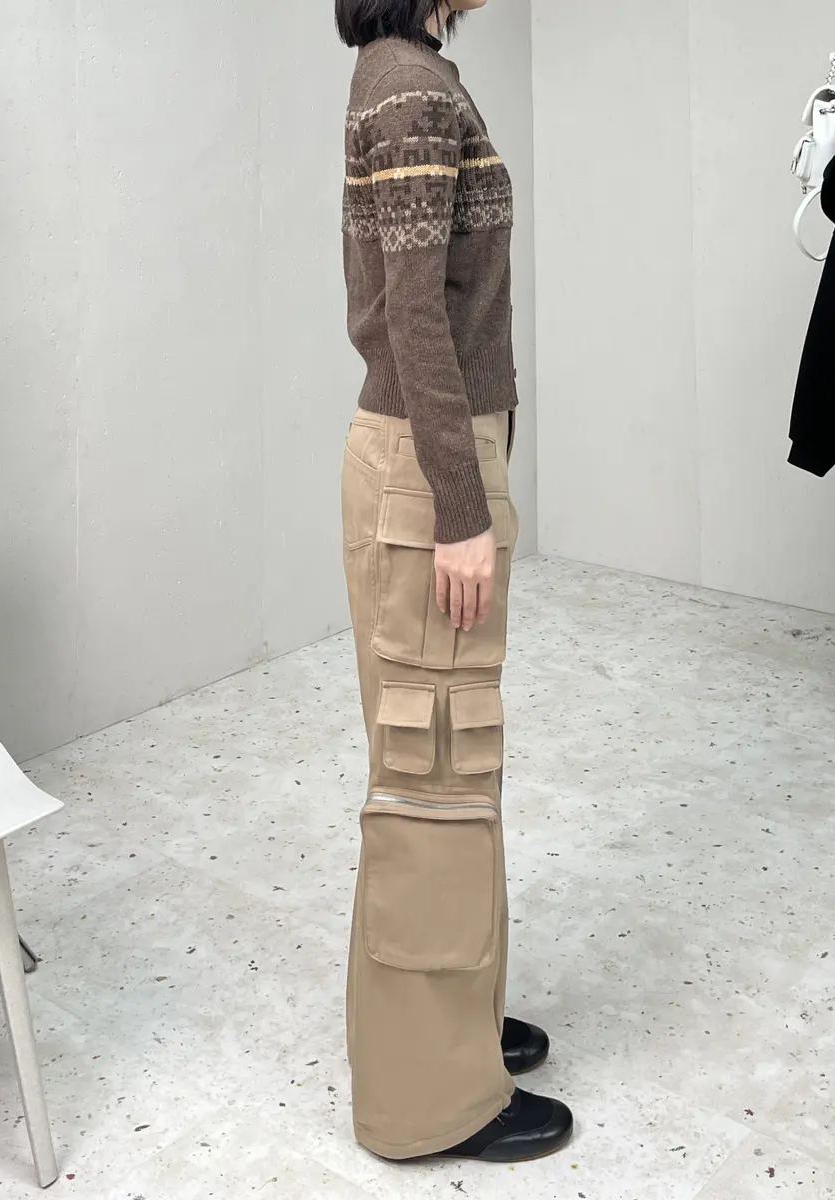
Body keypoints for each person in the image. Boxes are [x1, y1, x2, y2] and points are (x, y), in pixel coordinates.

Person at [335, 0, 574, 1163]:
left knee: (451, 760)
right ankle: (426, 1101)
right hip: (433, 473)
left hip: (437, 460)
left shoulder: (412, 71)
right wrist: (462, 509)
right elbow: (415, 317)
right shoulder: (410, 88)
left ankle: (458, 1024)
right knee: (431, 773)